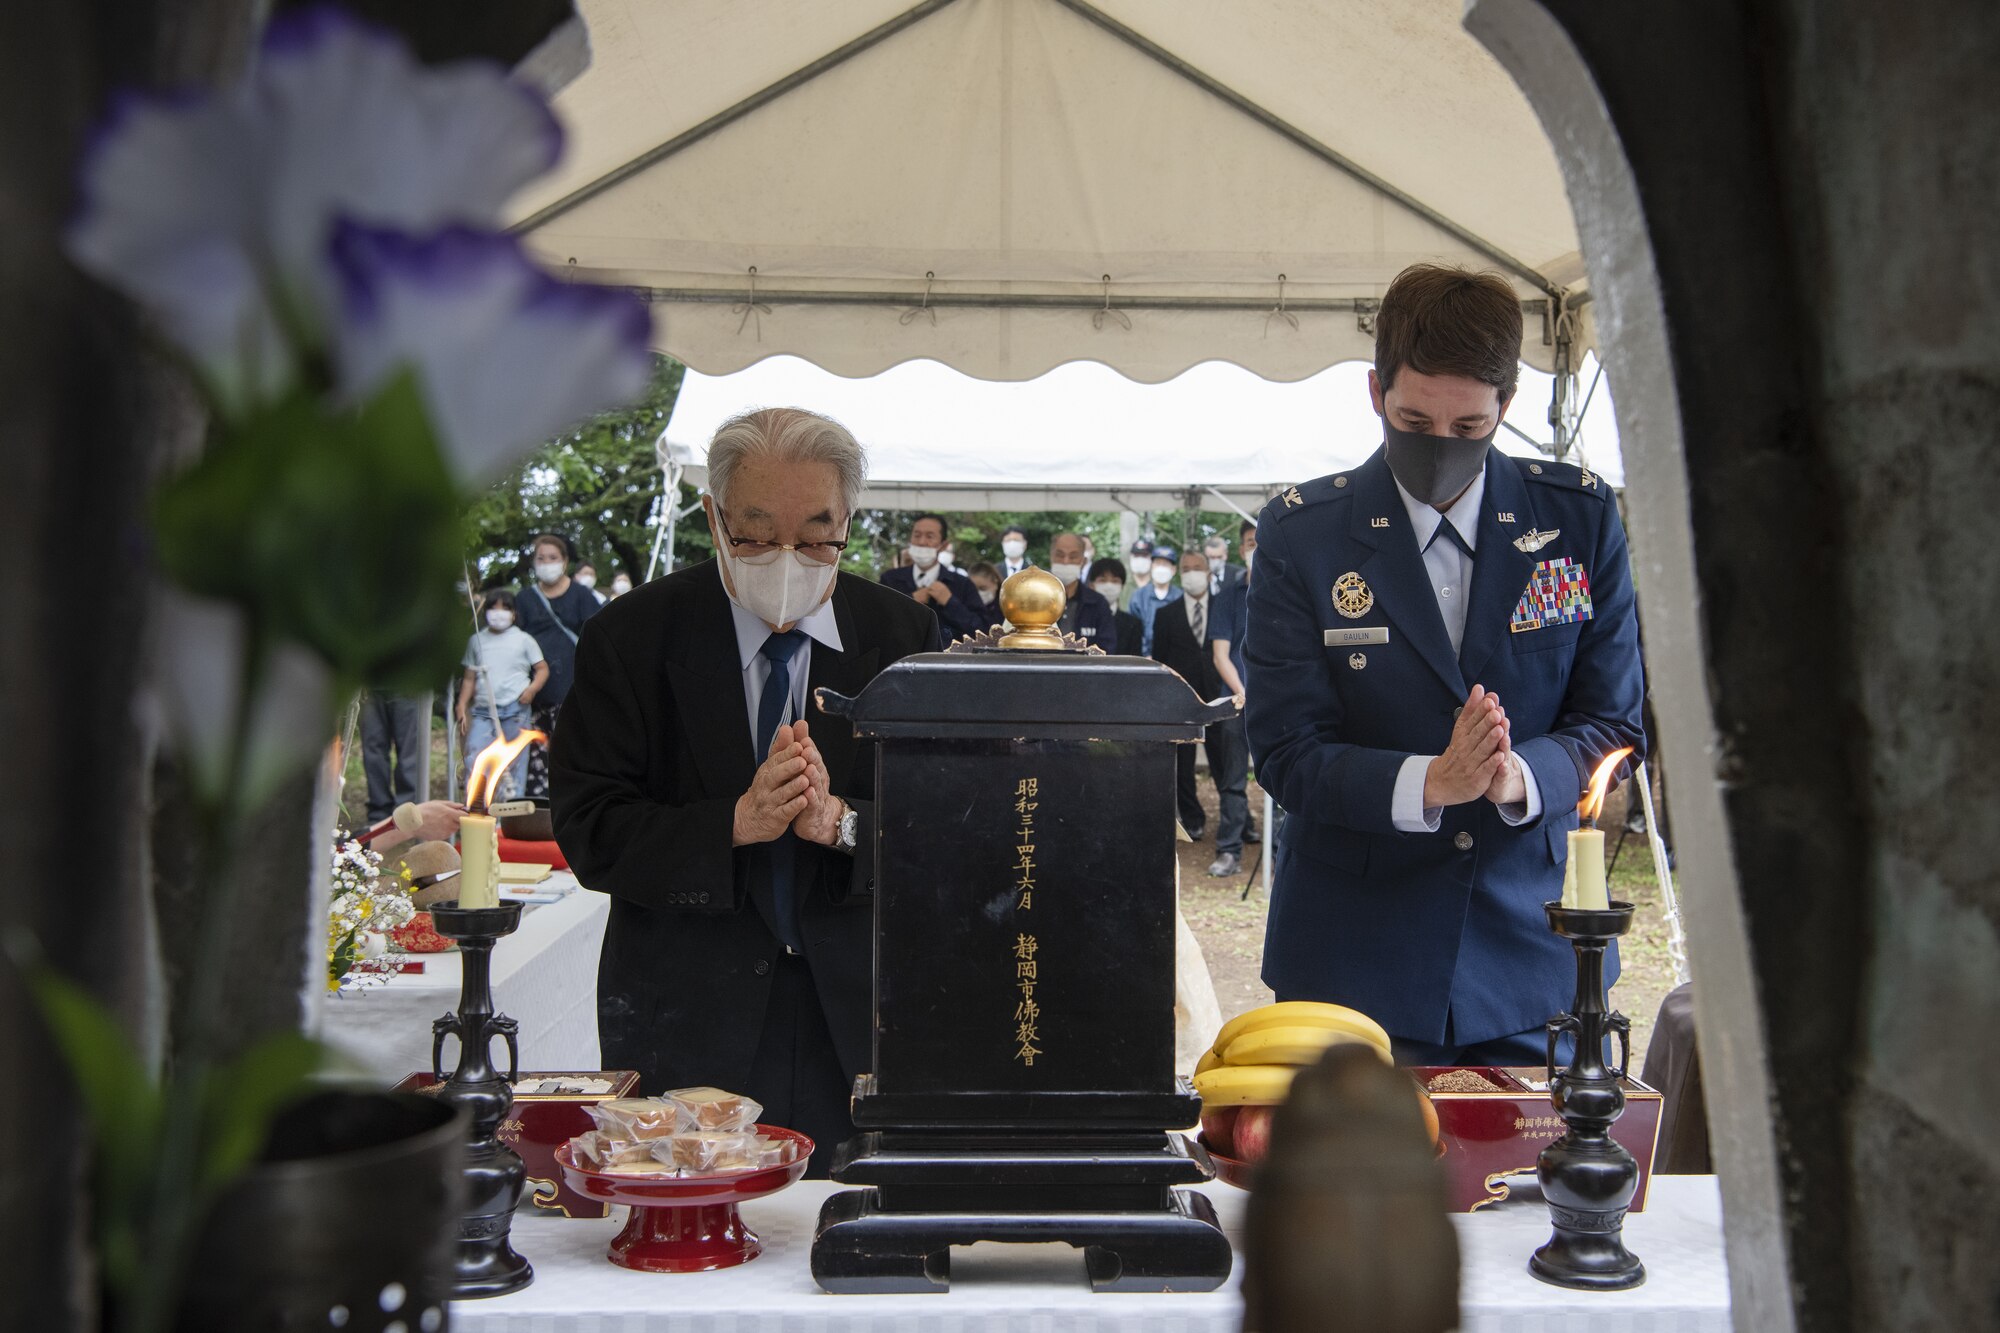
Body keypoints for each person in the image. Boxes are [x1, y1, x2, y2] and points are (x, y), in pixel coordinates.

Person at [1245, 263, 1645, 1066]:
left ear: (1508, 406)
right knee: (1350, 1195)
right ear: (1374, 392)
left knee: (1540, 1186)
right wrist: (1429, 782)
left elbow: (1612, 722)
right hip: (1353, 959)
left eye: (1468, 430)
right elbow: (1286, 750)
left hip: (1533, 959)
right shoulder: (1304, 534)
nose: (1438, 447)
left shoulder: (1577, 518)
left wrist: (1516, 776)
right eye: (1412, 418)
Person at [550, 407, 939, 1177]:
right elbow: (590, 825)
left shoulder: (903, 639)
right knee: (691, 1242)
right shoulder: (631, 639)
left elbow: (949, 824)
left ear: (850, 519)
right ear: (713, 518)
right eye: (757, 534)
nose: (789, 557)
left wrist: (844, 825)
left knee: (855, 1241)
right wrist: (730, 823)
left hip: (858, 1016)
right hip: (690, 1013)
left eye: (818, 533)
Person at [515, 532, 601, 797]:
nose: (546, 562)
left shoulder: (581, 595)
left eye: (552, 557)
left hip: (572, 690)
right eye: (541, 558)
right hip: (534, 694)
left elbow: (596, 637)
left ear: (564, 561)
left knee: (572, 755)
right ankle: (537, 816)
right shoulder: (525, 598)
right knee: (536, 759)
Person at [1151, 549, 1222, 839]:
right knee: (1184, 761)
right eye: (1186, 568)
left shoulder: (1224, 607)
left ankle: (1234, 818)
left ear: (1207, 572)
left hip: (1221, 693)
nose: (1192, 572)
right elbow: (1160, 659)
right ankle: (1192, 818)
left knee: (1224, 758)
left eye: (1197, 567)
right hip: (1182, 699)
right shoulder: (1165, 614)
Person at [456, 589, 547, 803]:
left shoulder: (524, 640)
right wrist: (461, 704)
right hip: (482, 711)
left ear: (514, 613)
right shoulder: (476, 640)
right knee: (475, 760)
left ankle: (510, 821)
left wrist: (532, 689)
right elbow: (469, 678)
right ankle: (477, 811)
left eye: (504, 609)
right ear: (485, 612)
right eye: (493, 608)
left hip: (516, 710)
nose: (498, 613)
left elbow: (542, 669)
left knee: (514, 766)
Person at [1205, 520, 1260, 875]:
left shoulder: (1291, 590)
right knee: (1232, 781)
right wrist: (1243, 692)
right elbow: (1220, 655)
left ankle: (1281, 852)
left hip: (1283, 704)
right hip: (1237, 702)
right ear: (1241, 549)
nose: (1257, 548)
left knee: (1288, 781)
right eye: (1251, 542)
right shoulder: (1227, 598)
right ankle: (1229, 851)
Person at [878, 513, 988, 640]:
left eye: (930, 536)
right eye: (917, 535)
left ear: (943, 545)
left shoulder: (962, 584)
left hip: (946, 658)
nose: (922, 542)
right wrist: (910, 600)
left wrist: (950, 602)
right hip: (902, 658)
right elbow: (878, 620)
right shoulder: (890, 579)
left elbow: (982, 631)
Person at [358, 690, 430, 824]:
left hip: (406, 684)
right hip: (370, 684)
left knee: (409, 751)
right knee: (373, 749)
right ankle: (379, 814)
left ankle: (408, 814)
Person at [1048, 531, 1116, 648]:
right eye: (1060, 555)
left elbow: (1107, 649)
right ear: (1051, 557)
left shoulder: (1098, 603)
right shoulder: (1034, 599)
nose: (1066, 561)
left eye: (1073, 556)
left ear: (1083, 562)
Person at [1129, 544, 1184, 656]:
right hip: (1144, 660)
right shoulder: (1139, 596)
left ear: (1173, 570)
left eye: (1165, 564)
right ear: (1151, 566)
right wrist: (1145, 655)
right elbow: (1133, 631)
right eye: (1158, 563)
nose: (1161, 568)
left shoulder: (1180, 597)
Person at [1087, 557, 1145, 655]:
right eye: (1102, 580)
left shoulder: (1132, 624)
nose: (1109, 586)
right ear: (1091, 585)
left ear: (1122, 586)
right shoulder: (1083, 617)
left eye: (1115, 581)